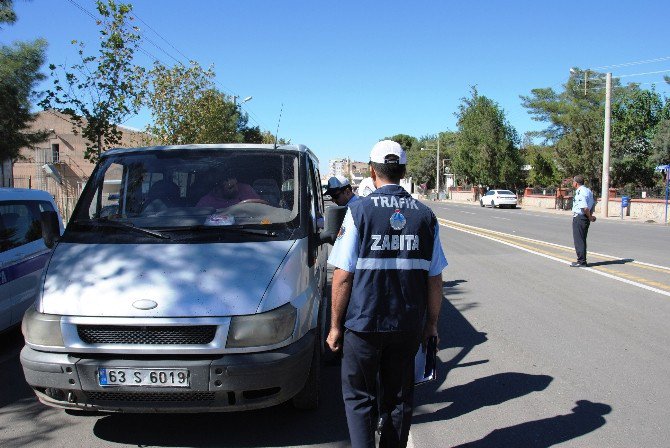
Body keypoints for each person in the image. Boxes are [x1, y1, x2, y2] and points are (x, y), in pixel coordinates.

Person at [327, 140, 448, 448]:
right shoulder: (426, 216)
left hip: (363, 325)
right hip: (407, 325)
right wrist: (431, 325)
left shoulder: (358, 211)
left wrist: (335, 327)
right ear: (404, 171)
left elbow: (342, 277)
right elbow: (435, 280)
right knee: (398, 399)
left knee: (359, 399)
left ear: (372, 171)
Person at [196, 168, 261, 208]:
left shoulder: (246, 189)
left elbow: (261, 208)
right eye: (231, 187)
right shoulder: (206, 202)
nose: (236, 189)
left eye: (236, 184)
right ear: (218, 187)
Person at [570, 175, 596, 267]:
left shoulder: (581, 192)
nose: (572, 183)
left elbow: (584, 207)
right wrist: (591, 215)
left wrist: (589, 217)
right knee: (582, 239)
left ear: (576, 183)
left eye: (573, 181)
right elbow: (593, 204)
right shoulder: (588, 191)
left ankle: (581, 261)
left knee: (579, 240)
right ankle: (581, 260)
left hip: (580, 217)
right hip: (584, 217)